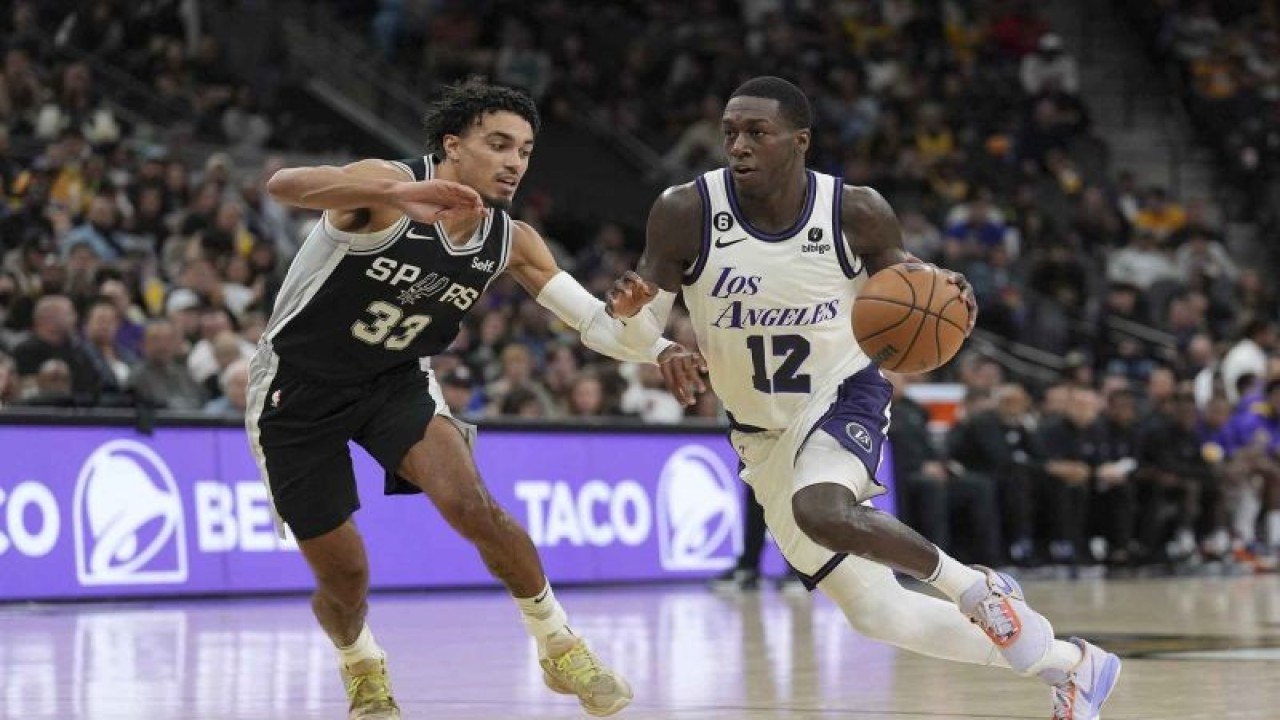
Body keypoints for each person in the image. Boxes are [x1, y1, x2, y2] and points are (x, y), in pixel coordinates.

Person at [608, 76, 1120, 720]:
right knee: (878, 614)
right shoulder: (684, 210)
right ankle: (1075, 667)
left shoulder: (856, 211)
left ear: (799, 141)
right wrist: (646, 333)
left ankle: (974, 584)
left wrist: (945, 291)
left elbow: (913, 292)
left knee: (822, 509)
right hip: (759, 434)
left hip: (843, 394)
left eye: (757, 133)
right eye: (730, 132)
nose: (739, 145)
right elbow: (638, 326)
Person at [248, 80, 688, 720]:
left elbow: (597, 328)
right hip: (296, 391)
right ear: (453, 147)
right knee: (346, 580)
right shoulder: (387, 188)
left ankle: (558, 643)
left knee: (471, 503)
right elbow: (283, 184)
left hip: (394, 380)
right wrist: (393, 192)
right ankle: (362, 663)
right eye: (499, 144)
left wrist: (653, 343)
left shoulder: (511, 240)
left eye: (526, 151)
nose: (515, 162)